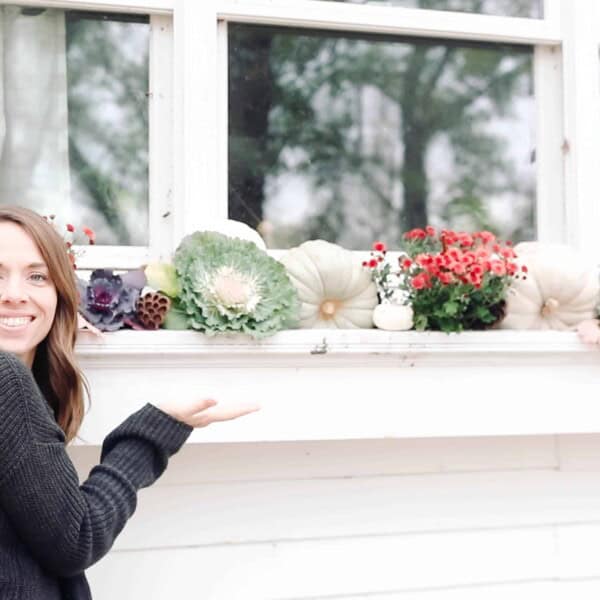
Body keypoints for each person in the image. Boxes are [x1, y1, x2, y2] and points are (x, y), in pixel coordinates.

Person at [0, 205, 259, 600]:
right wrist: (155, 429)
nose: (14, 296)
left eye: (37, 276)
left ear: (61, 295)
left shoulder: (25, 384)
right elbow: (76, 539)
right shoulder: (6, 380)